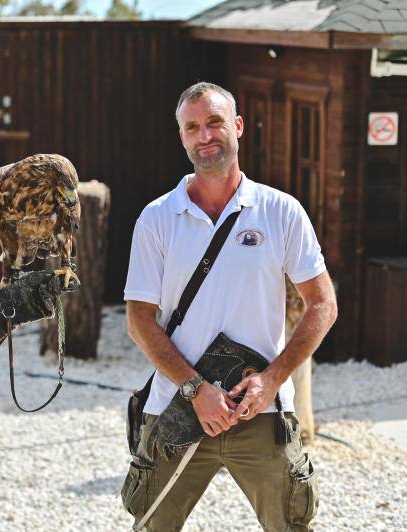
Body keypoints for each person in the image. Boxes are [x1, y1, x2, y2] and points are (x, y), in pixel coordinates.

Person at [121, 82, 337, 531]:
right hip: (176, 410)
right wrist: (196, 390)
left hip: (261, 412)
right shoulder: (156, 218)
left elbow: (322, 304)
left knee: (291, 527)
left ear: (237, 126)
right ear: (181, 137)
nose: (205, 136)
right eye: (192, 127)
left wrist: (273, 379)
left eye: (215, 122)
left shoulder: (281, 211)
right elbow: (140, 321)